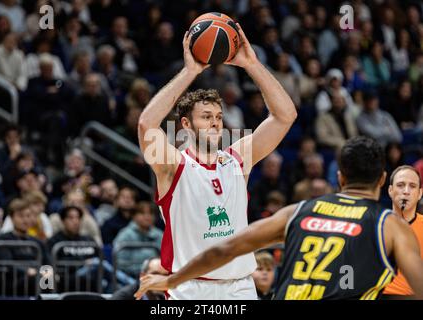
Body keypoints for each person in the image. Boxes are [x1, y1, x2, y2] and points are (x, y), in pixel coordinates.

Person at [135, 137, 423, 300]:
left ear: (340, 177)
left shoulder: (297, 211)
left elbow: (225, 248)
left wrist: (173, 280)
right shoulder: (390, 226)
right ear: (383, 179)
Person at [137, 24, 296, 300]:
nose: (215, 123)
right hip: (190, 288)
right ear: (185, 124)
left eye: (219, 117)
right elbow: (146, 124)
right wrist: (190, 72)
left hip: (241, 286)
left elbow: (285, 116)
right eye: (206, 116)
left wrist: (251, 64)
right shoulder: (172, 166)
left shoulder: (237, 159)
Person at [383, 166, 423, 299]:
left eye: (412, 186)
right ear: (390, 190)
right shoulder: (374, 224)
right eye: (400, 185)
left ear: (420, 193)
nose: (406, 191)